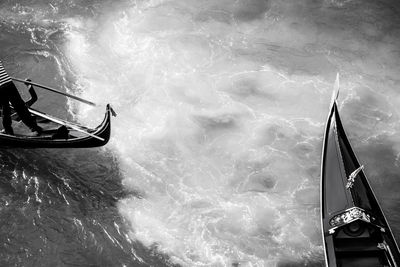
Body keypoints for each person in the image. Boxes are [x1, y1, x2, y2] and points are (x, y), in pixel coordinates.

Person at [0, 60, 42, 136]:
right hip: (9, 83)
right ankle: (35, 127)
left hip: (1, 87)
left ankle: (8, 131)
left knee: (6, 110)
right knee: (20, 107)